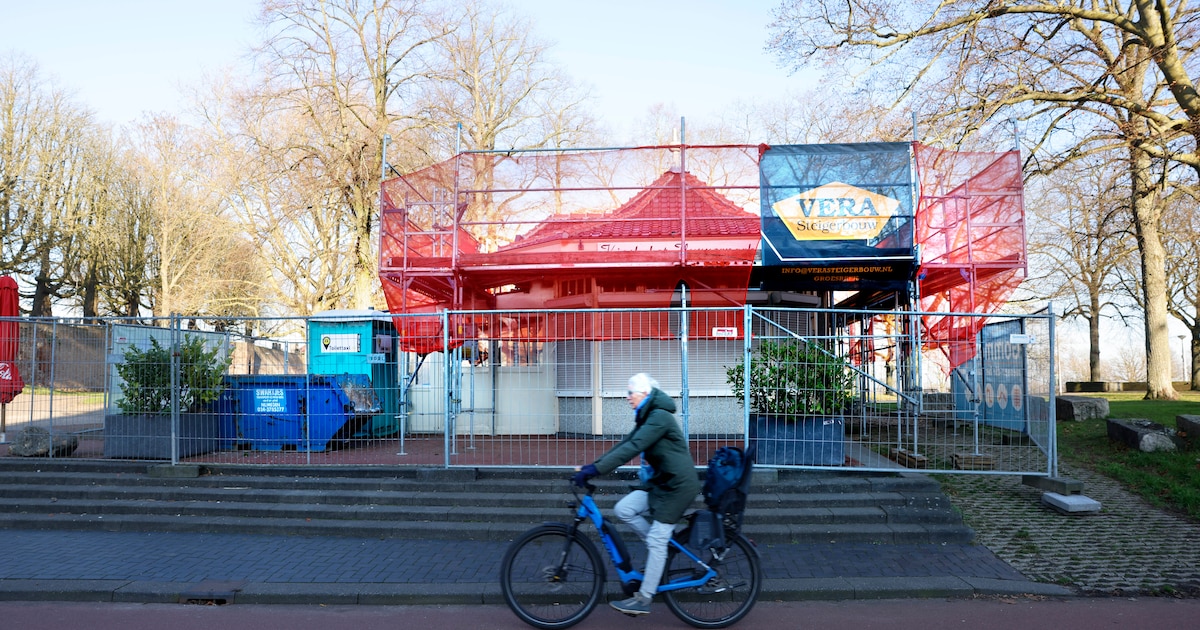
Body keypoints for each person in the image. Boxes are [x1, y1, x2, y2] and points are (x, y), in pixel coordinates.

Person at [572, 373, 701, 617]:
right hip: (662, 483)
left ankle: (644, 598)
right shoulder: (648, 415)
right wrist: (592, 467)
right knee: (624, 509)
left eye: (631, 392)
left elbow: (634, 447)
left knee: (656, 539)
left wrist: (595, 470)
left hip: (678, 487)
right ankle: (661, 548)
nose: (627, 397)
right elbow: (625, 443)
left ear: (644, 394)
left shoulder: (659, 417)